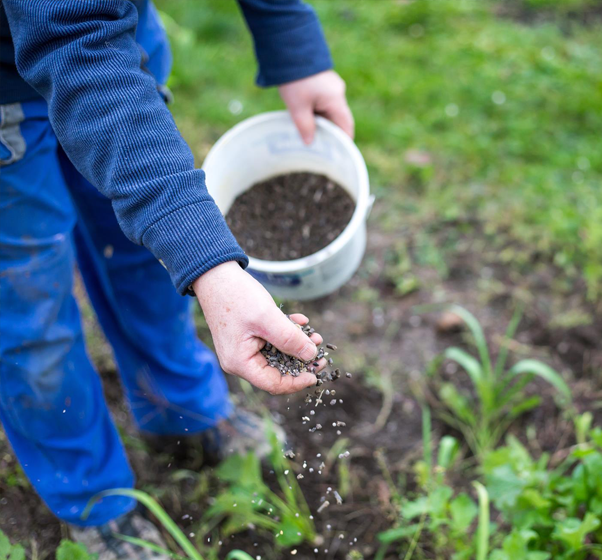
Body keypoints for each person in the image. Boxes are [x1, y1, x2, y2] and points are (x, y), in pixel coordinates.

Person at [0, 1, 354, 557]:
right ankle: (93, 499)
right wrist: (210, 264)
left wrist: (291, 40)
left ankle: (180, 409)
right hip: (19, 87)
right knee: (29, 308)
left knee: (145, 252)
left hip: (118, 37)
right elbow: (75, 41)